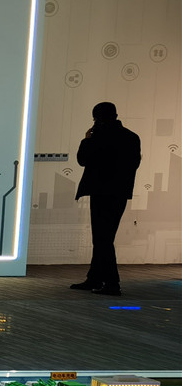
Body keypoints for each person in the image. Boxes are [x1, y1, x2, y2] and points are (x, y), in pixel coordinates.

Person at [69, 101, 142, 296]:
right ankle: (95, 277)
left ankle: (111, 282)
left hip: (100, 192)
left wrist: (86, 140)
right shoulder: (132, 137)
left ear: (96, 118)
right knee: (105, 237)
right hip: (119, 193)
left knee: (102, 239)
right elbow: (135, 164)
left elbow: (82, 160)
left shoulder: (97, 136)